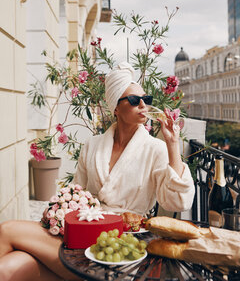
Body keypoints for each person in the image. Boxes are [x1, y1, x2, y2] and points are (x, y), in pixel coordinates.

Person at [0, 62, 195, 281]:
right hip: (85, 230)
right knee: (8, 267)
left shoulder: (156, 148)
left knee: (7, 230)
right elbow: (77, 193)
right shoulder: (92, 145)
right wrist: (57, 215)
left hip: (120, 245)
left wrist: (172, 144)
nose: (143, 104)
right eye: (133, 100)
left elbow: (179, 202)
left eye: (146, 99)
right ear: (115, 108)